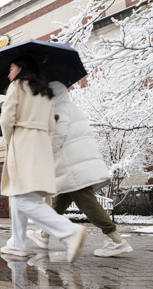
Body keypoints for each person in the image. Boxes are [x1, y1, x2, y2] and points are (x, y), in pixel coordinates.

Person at [26, 81, 133, 258]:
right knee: (59, 202)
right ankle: (44, 235)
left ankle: (116, 240)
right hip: (76, 162)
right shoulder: (70, 107)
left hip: (72, 164)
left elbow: (57, 137)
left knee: (86, 202)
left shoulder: (59, 110)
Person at [0, 55, 87, 263]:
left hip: (23, 141)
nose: (8, 73)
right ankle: (17, 243)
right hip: (41, 143)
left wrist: (10, 140)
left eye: (11, 68)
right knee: (21, 194)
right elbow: (50, 125)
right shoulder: (47, 92)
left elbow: (5, 119)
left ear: (20, 68)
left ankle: (69, 232)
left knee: (22, 197)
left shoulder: (17, 86)